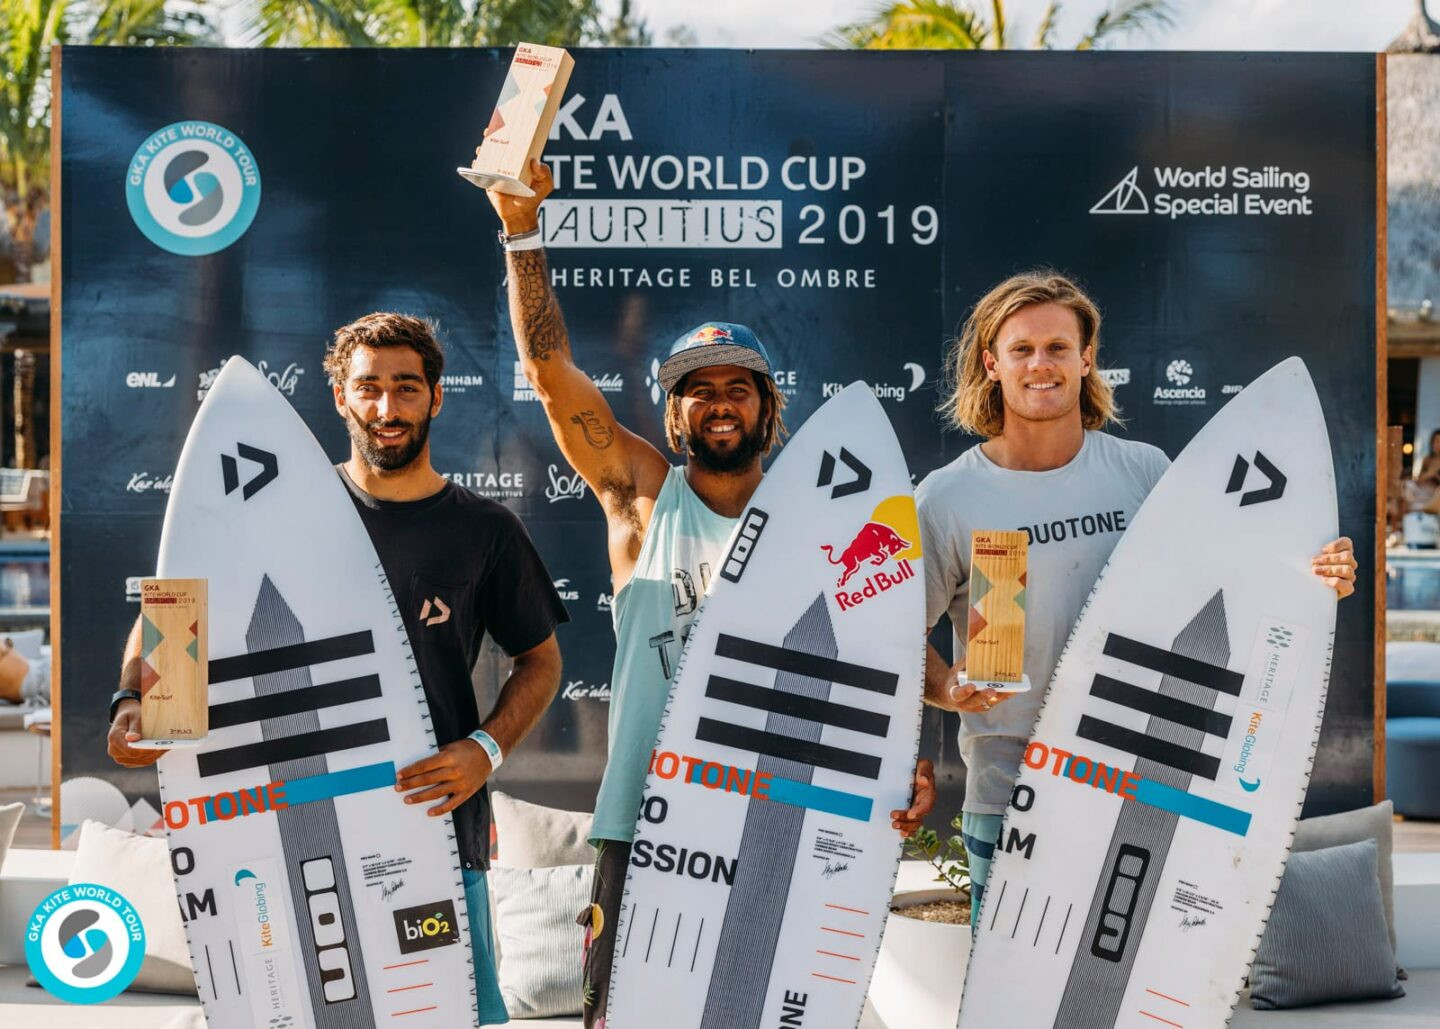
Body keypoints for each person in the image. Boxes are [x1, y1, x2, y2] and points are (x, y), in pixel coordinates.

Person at [485, 159, 937, 1029]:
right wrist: (521, 229)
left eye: (739, 386)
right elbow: (548, 370)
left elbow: (876, 656)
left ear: (771, 409)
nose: (719, 402)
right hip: (645, 811)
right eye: (697, 389)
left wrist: (900, 756)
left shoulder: (823, 524)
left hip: (780, 811)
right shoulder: (642, 496)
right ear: (673, 416)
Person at [108, 312, 568, 1026]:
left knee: (449, 1014)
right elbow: (171, 614)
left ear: (437, 397)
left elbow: (541, 661)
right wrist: (134, 702)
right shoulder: (268, 513)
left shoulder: (484, 530)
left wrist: (485, 749)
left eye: (407, 388)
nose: (387, 409)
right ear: (340, 397)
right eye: (370, 388)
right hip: (269, 832)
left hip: (433, 828)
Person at [916, 269, 1357, 930]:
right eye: (1023, 349)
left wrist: (1314, 574)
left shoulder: (1145, 471)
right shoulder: (948, 498)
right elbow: (891, 637)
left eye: (1058, 347)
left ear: (1087, 358)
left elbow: (1224, 585)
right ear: (992, 363)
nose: (1041, 364)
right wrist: (949, 687)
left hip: (1140, 781)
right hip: (1010, 791)